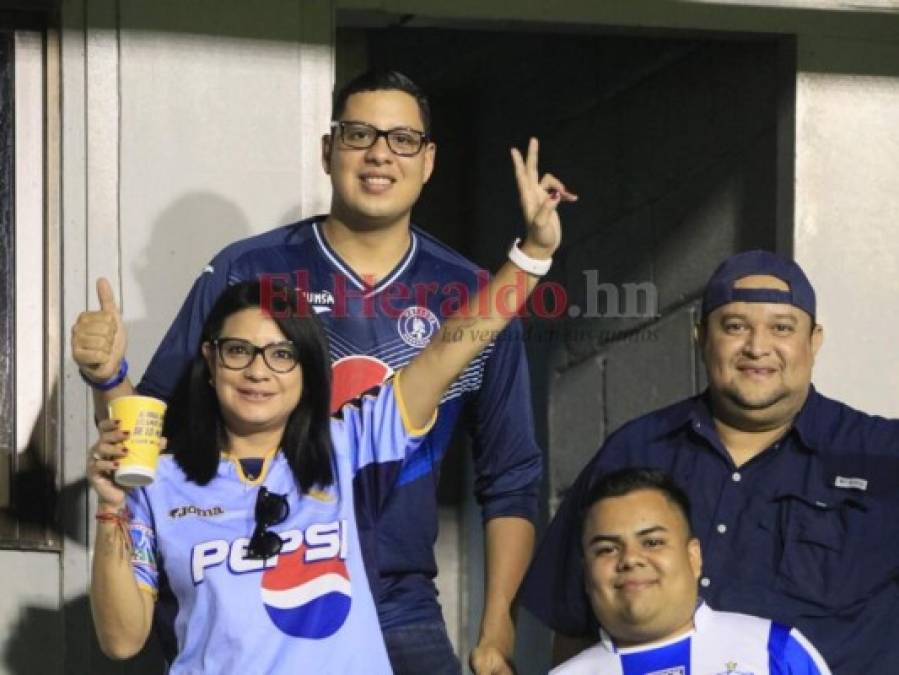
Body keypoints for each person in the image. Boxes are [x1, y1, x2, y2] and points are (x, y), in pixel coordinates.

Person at [73, 70, 556, 674]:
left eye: (402, 139)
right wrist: (108, 377)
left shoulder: (351, 441)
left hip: (398, 600)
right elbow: (143, 434)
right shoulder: (247, 271)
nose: (380, 153)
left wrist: (530, 256)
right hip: (231, 593)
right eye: (359, 134)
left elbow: (467, 406)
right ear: (327, 150)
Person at [519, 250, 899, 674]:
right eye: (735, 327)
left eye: (781, 328)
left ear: (814, 341)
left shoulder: (882, 456)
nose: (757, 347)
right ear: (700, 337)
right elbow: (575, 623)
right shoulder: (636, 450)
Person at [553, 467, 831, 675]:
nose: (631, 559)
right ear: (586, 575)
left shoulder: (773, 650)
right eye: (607, 549)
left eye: (652, 542)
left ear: (694, 557)